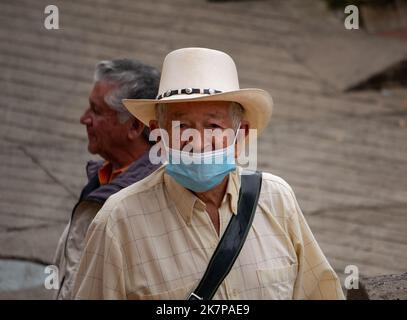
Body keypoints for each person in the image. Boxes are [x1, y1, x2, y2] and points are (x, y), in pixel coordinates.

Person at [72, 48, 345, 300]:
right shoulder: (117, 222)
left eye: (214, 126)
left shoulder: (277, 199)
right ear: (158, 132)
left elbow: (320, 292)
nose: (199, 143)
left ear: (241, 135)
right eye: (182, 127)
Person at [53, 59, 161, 299]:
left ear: (134, 125)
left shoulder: (148, 200)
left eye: (96, 111)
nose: (84, 119)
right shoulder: (104, 176)